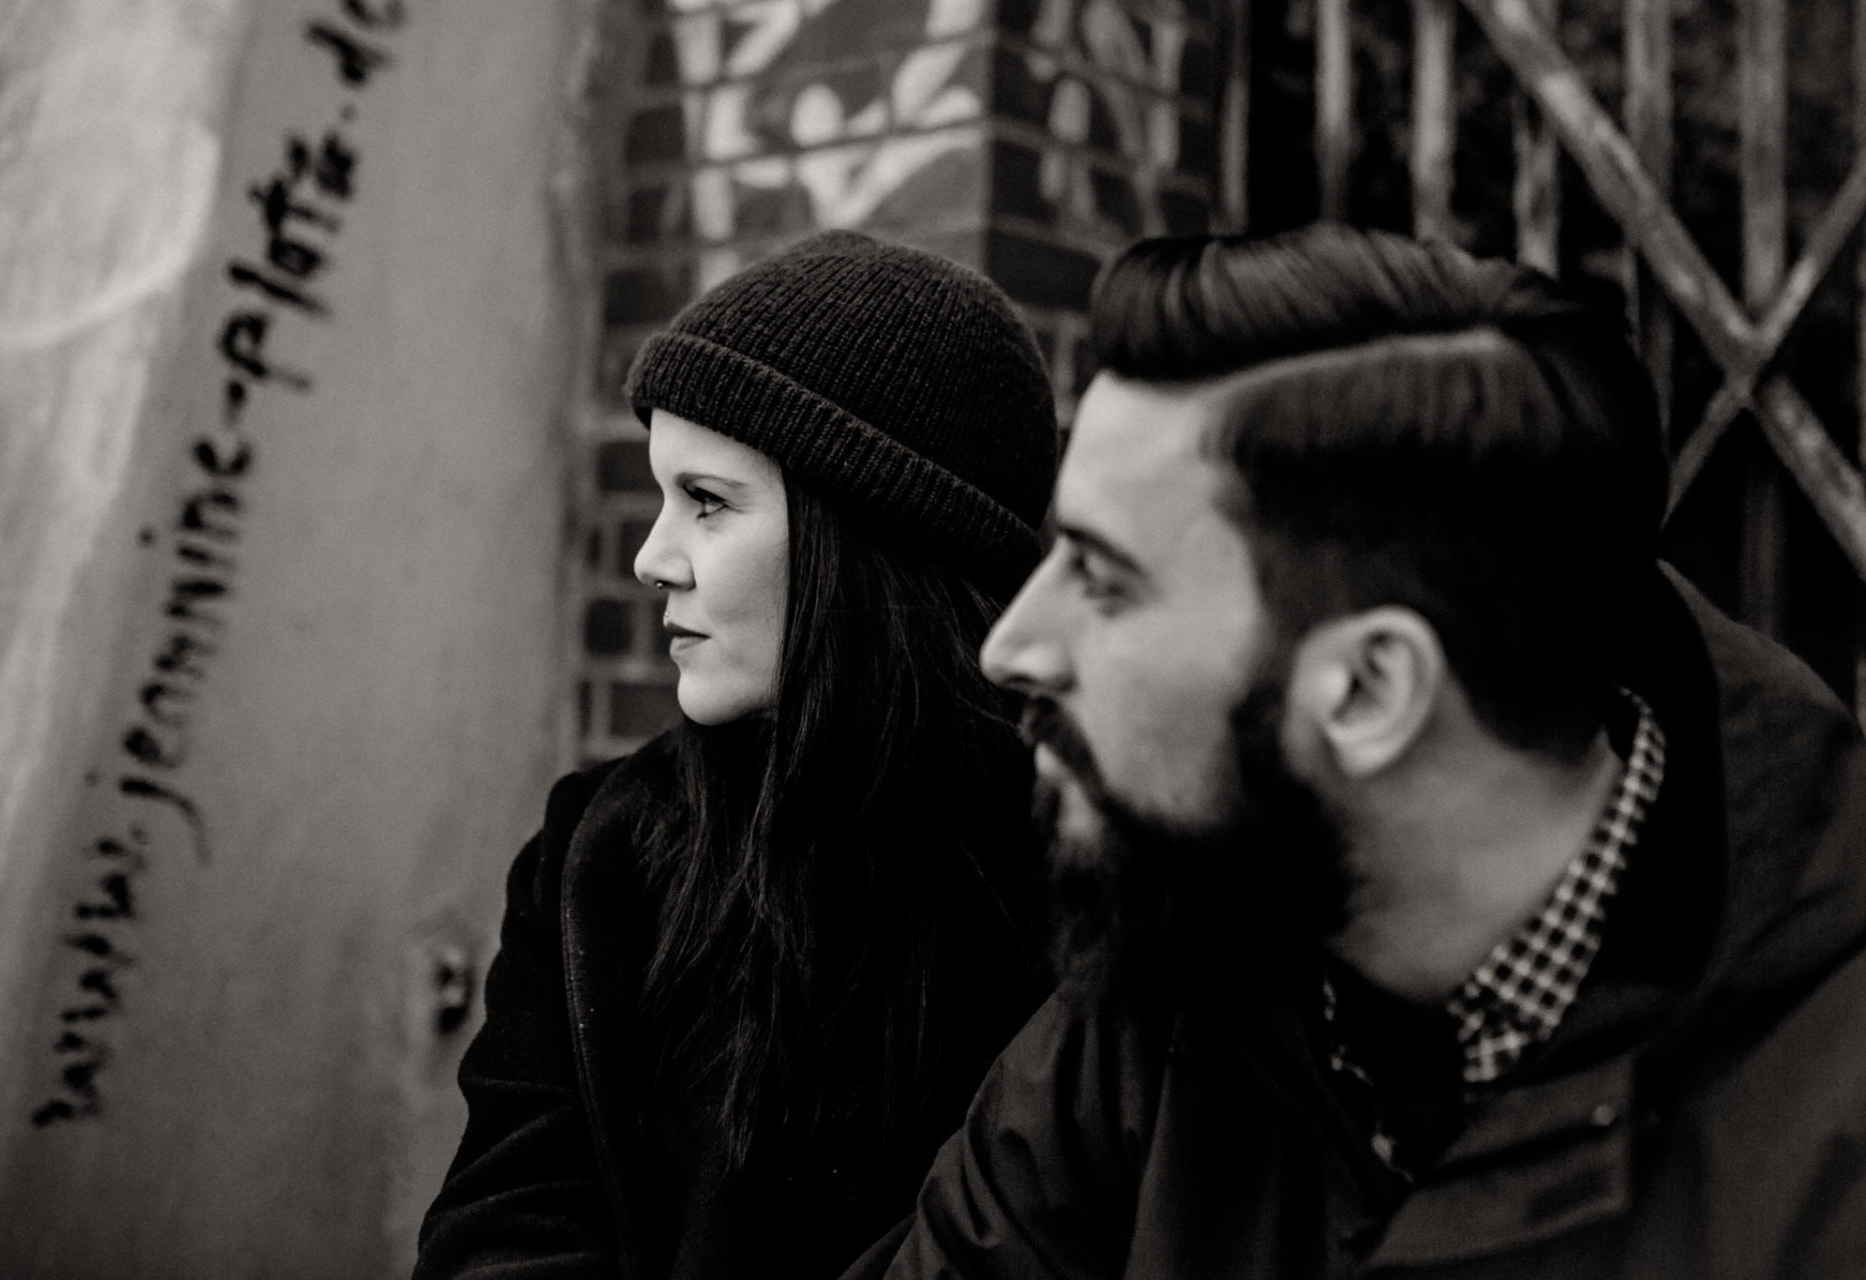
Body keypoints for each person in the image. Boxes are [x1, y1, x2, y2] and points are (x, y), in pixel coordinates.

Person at [851, 226, 1866, 1278]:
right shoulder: (1173, 966)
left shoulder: (1827, 1136)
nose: (1011, 645)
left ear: (1373, 689)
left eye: (1103, 578)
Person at [414, 230, 1061, 1280]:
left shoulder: (1085, 885)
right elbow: (501, 1231)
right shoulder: (605, 856)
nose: (651, 556)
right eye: (661, 495)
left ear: (871, 533)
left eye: (708, 502)